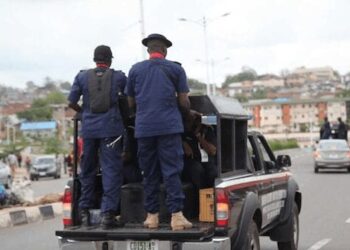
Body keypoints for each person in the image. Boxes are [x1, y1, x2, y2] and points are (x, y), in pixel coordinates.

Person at [126, 33, 192, 231]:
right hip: (169, 127)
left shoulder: (135, 70)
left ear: (149, 51)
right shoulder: (175, 69)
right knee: (171, 171)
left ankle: (152, 217)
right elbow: (183, 101)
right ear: (164, 51)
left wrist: (143, 113)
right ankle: (176, 217)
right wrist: (187, 113)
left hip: (144, 128)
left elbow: (130, 101)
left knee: (149, 172)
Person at [68, 45, 126, 229]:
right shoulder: (118, 76)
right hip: (111, 130)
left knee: (88, 170)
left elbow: (71, 101)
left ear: (95, 59)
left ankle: (84, 213)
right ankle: (107, 215)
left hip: (89, 131)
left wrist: (84, 112)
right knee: (111, 171)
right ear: (110, 60)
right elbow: (129, 97)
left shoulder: (81, 76)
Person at [182, 111, 217, 190]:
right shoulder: (183, 133)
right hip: (191, 162)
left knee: (213, 172)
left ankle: (208, 198)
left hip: (207, 161)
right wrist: (183, 143)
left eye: (195, 120)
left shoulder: (207, 131)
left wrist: (199, 137)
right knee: (197, 169)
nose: (191, 123)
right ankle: (201, 197)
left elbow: (212, 151)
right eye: (188, 120)